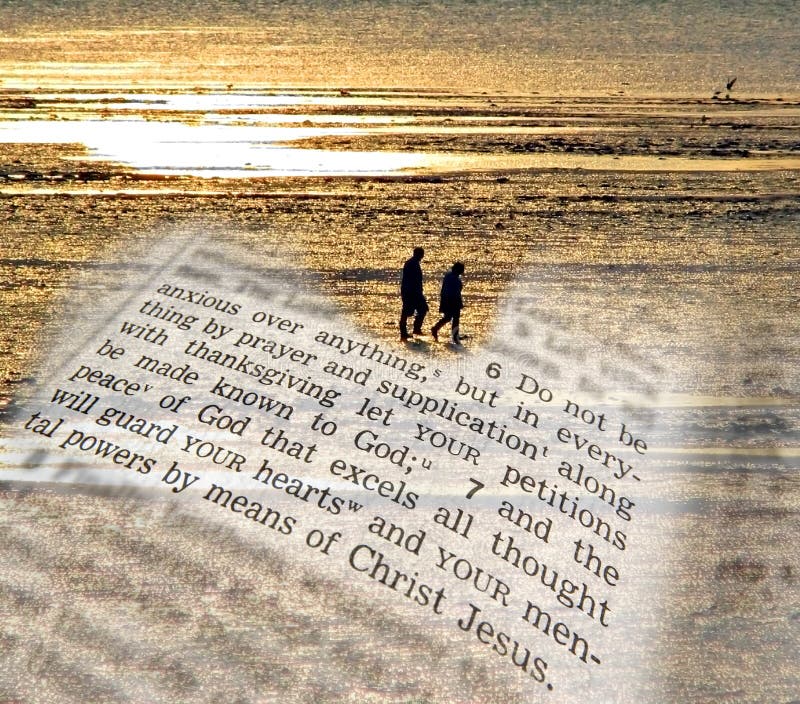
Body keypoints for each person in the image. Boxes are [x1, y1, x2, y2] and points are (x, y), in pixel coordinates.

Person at [399, 246, 428, 340]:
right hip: (411, 292)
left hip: (412, 291)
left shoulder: (413, 263)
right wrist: (416, 291)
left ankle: (415, 330)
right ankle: (406, 332)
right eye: (421, 254)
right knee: (408, 311)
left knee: (420, 309)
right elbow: (412, 280)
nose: (422, 256)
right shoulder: (412, 263)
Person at [431, 262, 465, 343]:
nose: (462, 272)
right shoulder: (453, 278)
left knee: (448, 318)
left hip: (447, 299)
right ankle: (455, 336)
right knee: (454, 318)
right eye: (461, 270)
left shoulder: (449, 276)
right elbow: (456, 291)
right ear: (458, 269)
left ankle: (436, 329)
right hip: (453, 300)